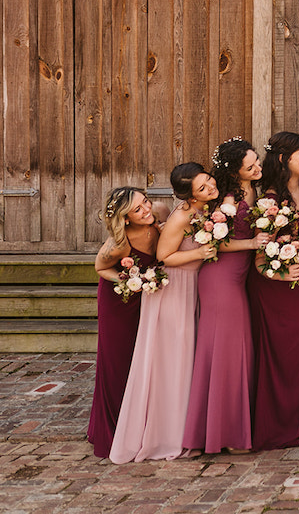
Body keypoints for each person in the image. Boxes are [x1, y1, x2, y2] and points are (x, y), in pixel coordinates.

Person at [110, 164, 218, 464]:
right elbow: (163, 257)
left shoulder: (204, 210)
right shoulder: (182, 216)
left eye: (208, 179)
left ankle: (185, 429)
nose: (209, 186)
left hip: (190, 286)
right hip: (173, 289)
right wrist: (200, 252)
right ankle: (166, 436)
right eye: (202, 186)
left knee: (184, 358)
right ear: (189, 195)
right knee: (171, 362)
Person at [184, 138, 265, 454]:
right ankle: (223, 434)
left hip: (238, 278)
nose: (257, 167)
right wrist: (253, 244)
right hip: (220, 280)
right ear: (236, 170)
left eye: (257, 161)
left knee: (237, 349)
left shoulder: (251, 190)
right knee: (226, 352)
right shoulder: (229, 200)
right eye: (251, 165)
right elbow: (214, 243)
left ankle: (229, 428)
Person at [248, 131, 299, 450]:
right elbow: (259, 257)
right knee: (283, 355)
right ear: (283, 159)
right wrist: (280, 276)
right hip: (276, 287)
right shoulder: (269, 200)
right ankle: (277, 427)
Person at [87, 187, 159, 459]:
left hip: (146, 301)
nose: (147, 210)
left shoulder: (157, 221)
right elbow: (101, 268)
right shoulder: (118, 244)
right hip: (119, 303)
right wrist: (128, 280)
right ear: (125, 218)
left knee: (145, 359)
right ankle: (116, 430)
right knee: (120, 362)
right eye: (138, 209)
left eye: (146, 202)